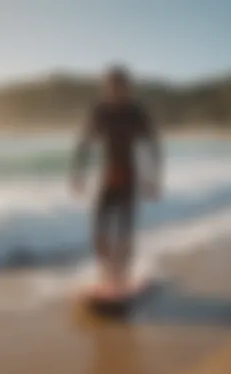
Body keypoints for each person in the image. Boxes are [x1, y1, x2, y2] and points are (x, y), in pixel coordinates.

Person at [71, 65, 161, 298]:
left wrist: (153, 178)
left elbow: (153, 145)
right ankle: (106, 275)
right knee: (98, 232)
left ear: (128, 88)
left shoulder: (136, 112)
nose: (115, 91)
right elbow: (85, 143)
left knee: (124, 232)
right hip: (107, 178)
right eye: (110, 87)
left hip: (129, 179)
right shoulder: (100, 111)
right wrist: (77, 174)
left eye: (120, 87)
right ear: (106, 88)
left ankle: (122, 275)